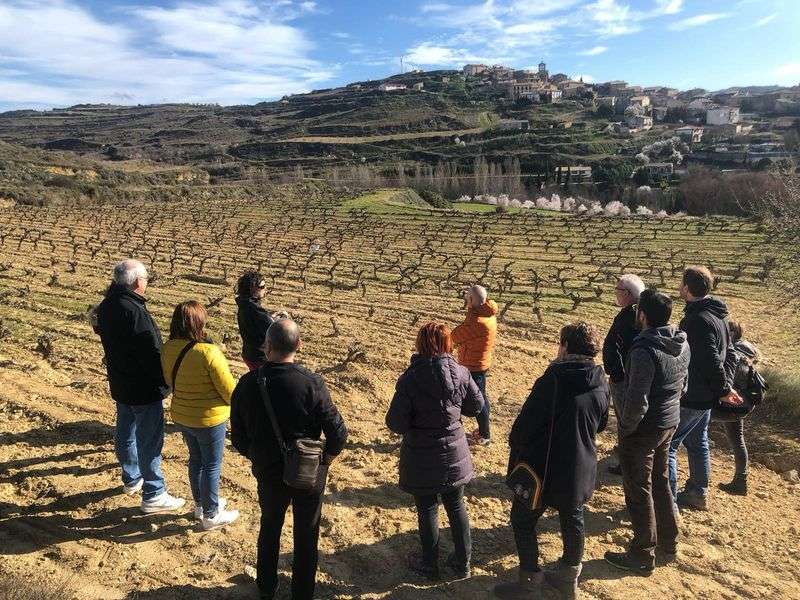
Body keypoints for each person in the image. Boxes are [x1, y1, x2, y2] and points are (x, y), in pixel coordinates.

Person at [230, 319, 348, 600]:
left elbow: (238, 438)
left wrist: (258, 456)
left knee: (270, 525)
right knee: (307, 534)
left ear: (267, 346)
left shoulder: (248, 384)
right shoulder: (311, 383)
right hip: (308, 471)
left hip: (268, 471)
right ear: (299, 345)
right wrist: (326, 459)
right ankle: (302, 593)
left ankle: (266, 588)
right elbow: (338, 432)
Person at [493, 323, 609, 600]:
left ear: (565, 346)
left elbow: (525, 425)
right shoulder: (600, 380)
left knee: (522, 520)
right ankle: (569, 581)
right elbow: (601, 424)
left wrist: (516, 445)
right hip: (580, 464)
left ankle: (529, 583)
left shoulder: (553, 379)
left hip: (542, 466)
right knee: (573, 518)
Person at [386, 322, 484, 581]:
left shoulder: (410, 379)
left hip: (421, 455)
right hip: (454, 452)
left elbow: (395, 423)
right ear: (447, 344)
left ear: (420, 345)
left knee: (427, 508)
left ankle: (430, 565)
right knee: (456, 504)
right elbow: (476, 406)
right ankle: (463, 564)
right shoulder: (462, 373)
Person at [604, 289, 689, 575]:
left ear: (642, 315)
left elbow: (636, 399)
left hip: (643, 429)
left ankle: (642, 554)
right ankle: (669, 541)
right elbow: (683, 385)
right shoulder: (681, 343)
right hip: (669, 422)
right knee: (661, 481)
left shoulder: (643, 350)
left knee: (638, 490)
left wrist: (626, 429)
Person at [94, 259, 185, 514]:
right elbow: (151, 354)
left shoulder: (107, 305)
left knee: (126, 430)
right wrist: (165, 380)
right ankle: (154, 493)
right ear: (137, 282)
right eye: (145, 278)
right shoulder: (134, 312)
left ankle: (131, 478)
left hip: (121, 381)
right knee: (149, 440)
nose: (146, 282)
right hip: (143, 388)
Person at [161, 301, 239, 530]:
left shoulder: (168, 348)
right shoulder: (208, 352)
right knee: (212, 465)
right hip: (209, 419)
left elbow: (168, 381)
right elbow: (229, 390)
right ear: (199, 323)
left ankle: (200, 505)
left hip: (182, 415)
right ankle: (211, 514)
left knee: (195, 460)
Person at [670, 266, 740, 511]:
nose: (679, 287)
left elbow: (710, 358)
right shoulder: (718, 315)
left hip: (693, 394)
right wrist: (723, 387)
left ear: (687, 288)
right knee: (698, 440)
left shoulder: (697, 320)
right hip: (706, 394)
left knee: (669, 444)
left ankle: (667, 504)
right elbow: (730, 353)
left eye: (681, 284)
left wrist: (722, 389)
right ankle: (698, 493)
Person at [602, 274, 645, 476]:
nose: (615, 294)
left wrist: (618, 374)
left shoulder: (629, 317)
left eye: (618, 291)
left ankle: (626, 462)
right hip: (632, 376)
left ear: (627, 294)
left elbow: (618, 348)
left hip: (624, 380)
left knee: (625, 421)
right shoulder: (640, 314)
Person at [716, 320, 760, 496]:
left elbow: (725, 381)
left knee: (694, 428)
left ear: (732, 333)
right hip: (742, 405)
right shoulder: (748, 353)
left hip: (728, 403)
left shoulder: (732, 351)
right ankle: (740, 481)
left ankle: (696, 480)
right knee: (737, 440)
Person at [451, 284, 497, 446]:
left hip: (473, 366)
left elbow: (455, 336)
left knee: (478, 400)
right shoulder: (488, 314)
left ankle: (484, 435)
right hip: (480, 362)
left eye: (467, 297)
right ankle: (483, 432)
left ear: (471, 300)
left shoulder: (476, 321)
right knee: (481, 397)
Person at [236, 270, 274, 372]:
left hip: (249, 353)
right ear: (252, 288)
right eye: (262, 287)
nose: (265, 289)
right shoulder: (253, 308)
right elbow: (274, 328)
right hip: (259, 356)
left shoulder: (243, 304)